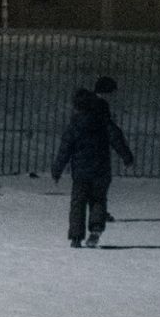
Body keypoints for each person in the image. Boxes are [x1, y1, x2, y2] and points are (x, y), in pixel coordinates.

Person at [51, 87, 133, 247]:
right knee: (98, 200)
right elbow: (117, 138)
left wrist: (57, 170)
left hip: (81, 172)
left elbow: (64, 149)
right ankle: (96, 228)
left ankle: (76, 237)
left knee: (77, 203)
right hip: (101, 170)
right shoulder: (103, 121)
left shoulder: (74, 125)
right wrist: (127, 157)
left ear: (76, 106)